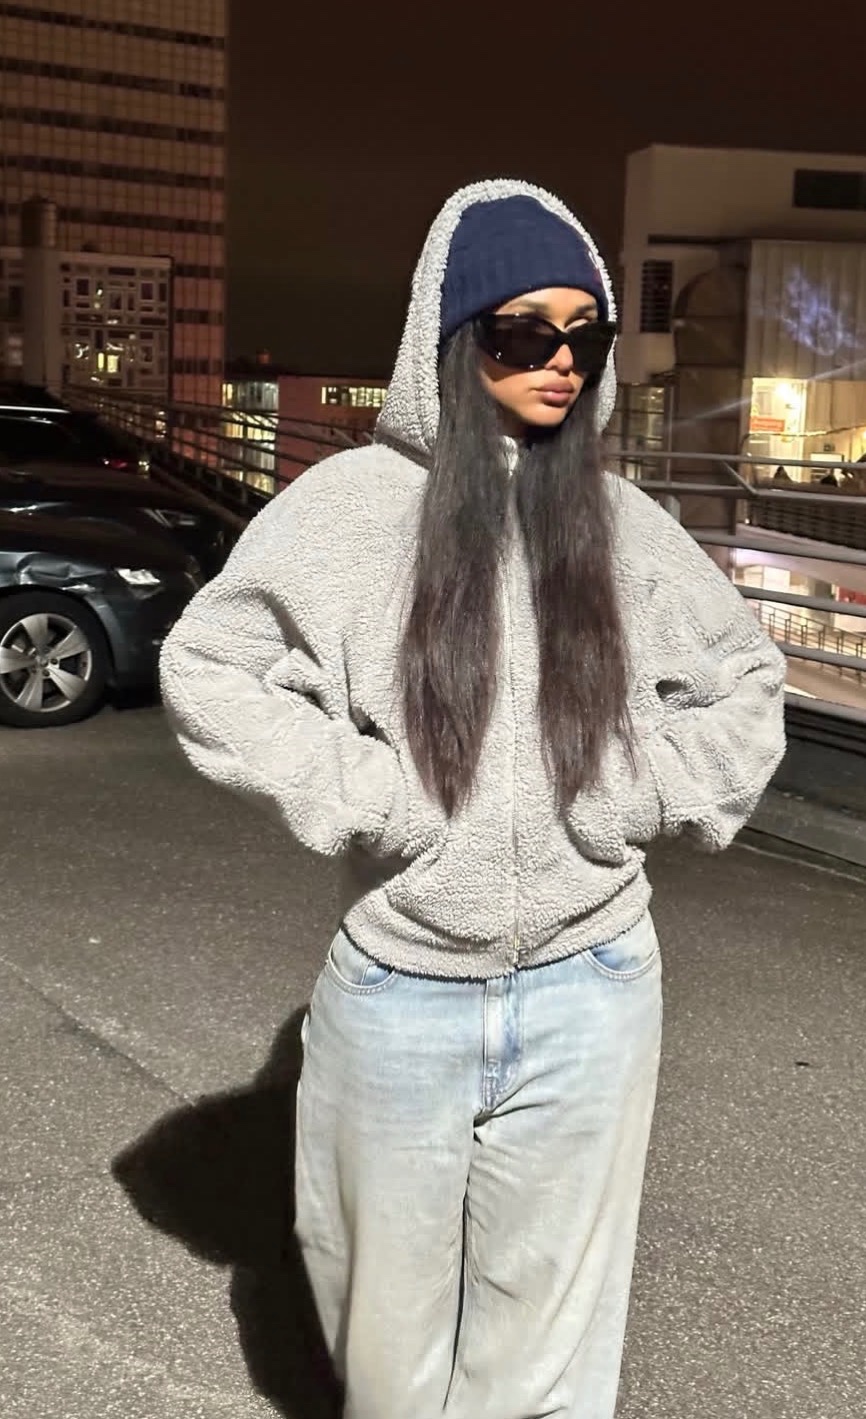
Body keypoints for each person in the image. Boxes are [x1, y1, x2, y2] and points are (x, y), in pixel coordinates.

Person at [160, 179, 787, 1419]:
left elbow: (746, 683)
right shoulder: (349, 512)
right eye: (521, 331)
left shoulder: (619, 524)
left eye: (583, 335)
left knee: (549, 1358)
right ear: (451, 341)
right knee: (389, 1361)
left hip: (595, 988)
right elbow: (210, 666)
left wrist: (629, 792)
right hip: (401, 992)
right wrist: (376, 799)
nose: (559, 361)